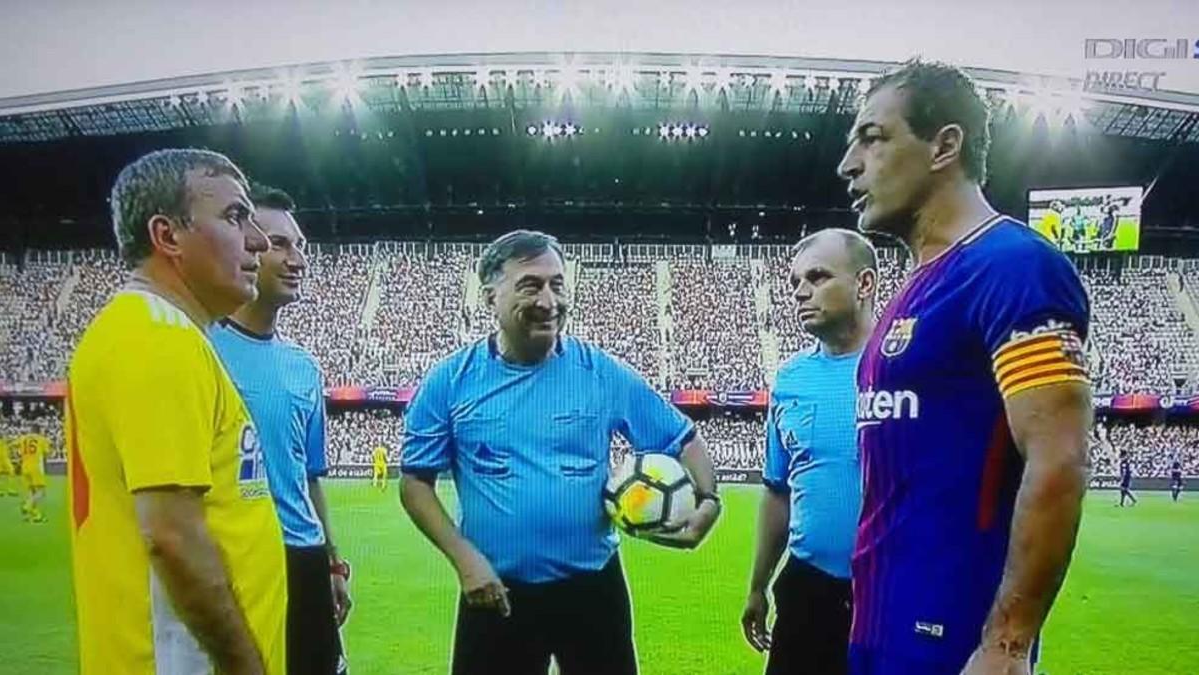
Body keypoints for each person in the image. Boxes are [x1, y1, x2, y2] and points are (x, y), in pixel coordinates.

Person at [836, 60, 1092, 675]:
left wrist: (1007, 643)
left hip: (953, 639)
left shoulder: (1013, 267)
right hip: (879, 625)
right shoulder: (911, 291)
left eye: (872, 137)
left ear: (944, 146)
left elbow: (1059, 459)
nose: (848, 164)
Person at [400, 229, 721, 675]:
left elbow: (683, 439)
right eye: (530, 285)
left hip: (592, 590)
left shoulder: (600, 372)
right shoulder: (450, 381)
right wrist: (465, 560)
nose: (549, 301)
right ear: (490, 296)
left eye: (558, 284)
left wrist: (709, 501)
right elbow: (416, 482)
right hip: (494, 590)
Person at [66, 148, 286, 674]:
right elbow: (171, 537)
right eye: (235, 217)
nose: (257, 239)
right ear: (167, 237)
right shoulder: (156, 338)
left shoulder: (156, 332)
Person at [209, 184, 351, 675]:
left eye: (301, 246)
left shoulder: (304, 368)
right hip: (238, 559)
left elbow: (309, 477)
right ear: (245, 245)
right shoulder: (200, 351)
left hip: (305, 559)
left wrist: (333, 562)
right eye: (279, 244)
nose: (297, 259)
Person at [742, 229, 877, 675]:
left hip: (889, 594)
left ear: (865, 284)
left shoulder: (907, 370)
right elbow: (776, 491)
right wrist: (758, 585)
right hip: (807, 590)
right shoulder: (790, 379)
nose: (800, 292)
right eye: (796, 281)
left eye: (817, 277)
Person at [17, 423, 50, 522]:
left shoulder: (23, 439)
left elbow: (19, 451)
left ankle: (36, 515)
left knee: (32, 491)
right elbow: (46, 453)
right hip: (35, 467)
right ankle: (27, 506)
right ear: (39, 431)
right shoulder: (41, 439)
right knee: (41, 492)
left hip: (25, 467)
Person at [0, 427, 18, 498]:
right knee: (1, 476)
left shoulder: (4, 441)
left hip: (5, 459)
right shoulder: (4, 441)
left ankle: (11, 490)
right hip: (1, 460)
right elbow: (10, 439)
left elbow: (10, 440)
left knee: (12, 472)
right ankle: (1, 491)